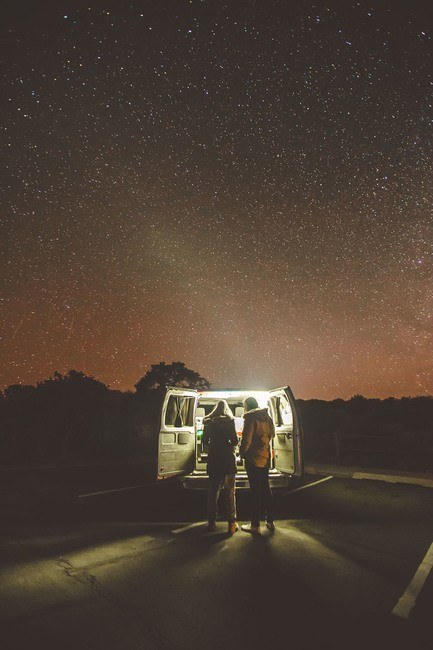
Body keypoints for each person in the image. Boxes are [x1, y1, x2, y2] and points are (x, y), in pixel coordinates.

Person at [202, 400, 239, 535]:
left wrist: (210, 450)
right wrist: (231, 446)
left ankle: (211, 522)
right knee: (230, 493)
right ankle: (231, 524)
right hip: (228, 461)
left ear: (215, 409)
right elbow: (234, 441)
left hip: (214, 460)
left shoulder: (209, 422)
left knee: (213, 493)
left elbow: (204, 441)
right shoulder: (230, 422)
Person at [240, 396, 275, 534]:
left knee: (255, 491)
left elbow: (246, 439)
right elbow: (272, 433)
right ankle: (270, 521)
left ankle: (255, 525)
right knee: (266, 488)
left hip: (253, 459)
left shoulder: (250, 418)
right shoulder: (267, 417)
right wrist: (263, 444)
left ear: (247, 405)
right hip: (265, 457)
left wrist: (242, 453)